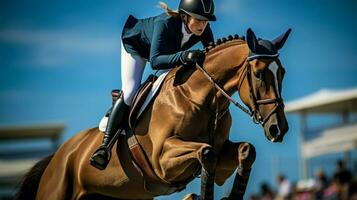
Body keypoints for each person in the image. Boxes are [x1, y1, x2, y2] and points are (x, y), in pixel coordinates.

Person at [89, 0, 216, 170]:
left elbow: (212, 54)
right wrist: (185, 56)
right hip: (136, 47)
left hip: (168, 52)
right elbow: (156, 61)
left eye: (206, 21)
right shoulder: (165, 24)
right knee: (130, 91)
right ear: (185, 16)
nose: (203, 25)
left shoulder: (204, 29)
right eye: (199, 19)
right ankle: (104, 147)